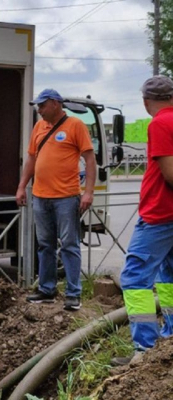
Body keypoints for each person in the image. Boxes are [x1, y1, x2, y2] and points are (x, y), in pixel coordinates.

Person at [16, 88, 96, 311]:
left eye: (42, 105)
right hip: (41, 197)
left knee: (70, 245)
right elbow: (32, 158)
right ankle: (47, 289)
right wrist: (22, 187)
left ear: (55, 104)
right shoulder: (39, 126)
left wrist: (88, 192)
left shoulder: (75, 126)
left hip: (66, 197)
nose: (39, 110)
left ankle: (73, 293)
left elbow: (90, 160)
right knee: (45, 245)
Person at [114, 76, 173, 363]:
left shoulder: (160, 123)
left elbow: (169, 173)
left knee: (135, 278)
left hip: (160, 213)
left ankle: (145, 349)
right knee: (169, 277)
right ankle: (170, 337)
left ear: (146, 101)